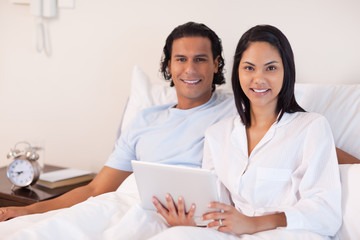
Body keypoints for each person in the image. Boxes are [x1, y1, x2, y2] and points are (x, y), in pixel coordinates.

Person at [111, 25, 342, 240]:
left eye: (271, 68)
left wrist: (254, 223)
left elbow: (326, 212)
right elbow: (216, 206)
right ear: (238, 72)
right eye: (249, 68)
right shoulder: (218, 134)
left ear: (287, 71)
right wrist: (191, 222)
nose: (258, 78)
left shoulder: (311, 127)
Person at [0, 21, 237, 226]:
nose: (190, 69)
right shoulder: (145, 119)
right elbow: (95, 190)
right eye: (181, 59)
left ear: (216, 64)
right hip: (130, 210)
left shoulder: (237, 110)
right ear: (169, 66)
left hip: (194, 221)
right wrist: (27, 212)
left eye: (200, 59)